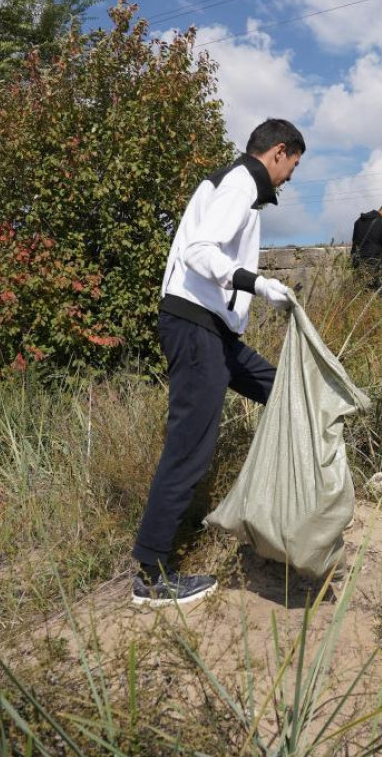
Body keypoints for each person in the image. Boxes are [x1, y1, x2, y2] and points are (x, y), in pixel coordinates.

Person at [132, 118, 305, 607]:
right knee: (191, 445)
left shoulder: (240, 186)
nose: (290, 176)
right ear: (278, 152)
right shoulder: (240, 183)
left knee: (285, 389)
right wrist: (257, 283)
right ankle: (151, 574)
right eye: (292, 165)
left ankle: (302, 493)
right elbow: (198, 252)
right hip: (195, 328)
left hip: (216, 333)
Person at [349, 202, 382, 291]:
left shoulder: (358, 222)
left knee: (358, 293)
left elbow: (354, 242)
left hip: (357, 264)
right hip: (374, 267)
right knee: (374, 295)